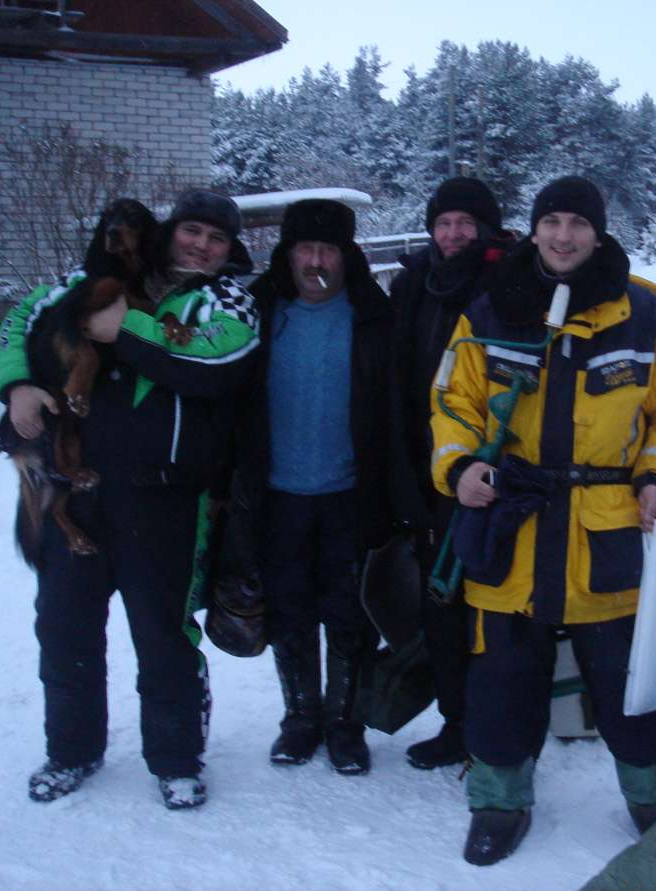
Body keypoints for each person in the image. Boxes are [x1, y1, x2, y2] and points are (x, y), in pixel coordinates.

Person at [429, 176, 656, 864]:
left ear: (598, 232)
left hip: (605, 529)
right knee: (501, 680)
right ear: (533, 229)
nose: (563, 236)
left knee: (628, 682)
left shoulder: (644, 313)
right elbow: (452, 402)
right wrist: (461, 465)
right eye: (552, 221)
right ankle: (499, 800)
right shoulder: (490, 309)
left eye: (578, 224)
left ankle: (655, 793)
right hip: (511, 526)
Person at [0, 189, 261, 809]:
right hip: (74, 493)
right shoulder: (85, 281)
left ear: (229, 250)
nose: (202, 245)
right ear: (168, 232)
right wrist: (17, 386)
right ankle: (71, 751)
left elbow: (216, 359)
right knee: (64, 630)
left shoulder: (227, 299)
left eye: (216, 238)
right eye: (191, 231)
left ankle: (176, 760)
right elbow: (17, 321)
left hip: (164, 500)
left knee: (163, 636)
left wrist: (125, 327)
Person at [243, 199, 394, 775]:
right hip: (277, 494)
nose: (315, 261)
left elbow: (395, 409)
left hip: (350, 494)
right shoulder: (259, 312)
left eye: (327, 249)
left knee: (350, 616)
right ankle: (301, 717)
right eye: (304, 249)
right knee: (289, 612)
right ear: (287, 255)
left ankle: (345, 723)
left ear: (345, 256)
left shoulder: (372, 317)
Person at [388, 176, 514, 770]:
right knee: (441, 603)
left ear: (486, 227)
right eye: (443, 223)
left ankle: (504, 727)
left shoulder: (513, 282)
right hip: (428, 466)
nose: (454, 233)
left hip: (495, 468)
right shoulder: (413, 282)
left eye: (466, 223)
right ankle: (458, 722)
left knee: (495, 606)